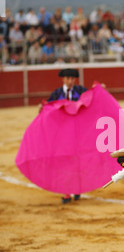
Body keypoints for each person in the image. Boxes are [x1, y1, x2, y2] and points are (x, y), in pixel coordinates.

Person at [45, 68, 88, 204]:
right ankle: (67, 192)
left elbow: (95, 98)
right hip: (62, 134)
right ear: (63, 79)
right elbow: (48, 109)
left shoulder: (81, 91)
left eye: (72, 79)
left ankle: (76, 188)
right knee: (64, 162)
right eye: (67, 78)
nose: (70, 81)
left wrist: (101, 89)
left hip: (78, 133)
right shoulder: (56, 93)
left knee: (76, 162)